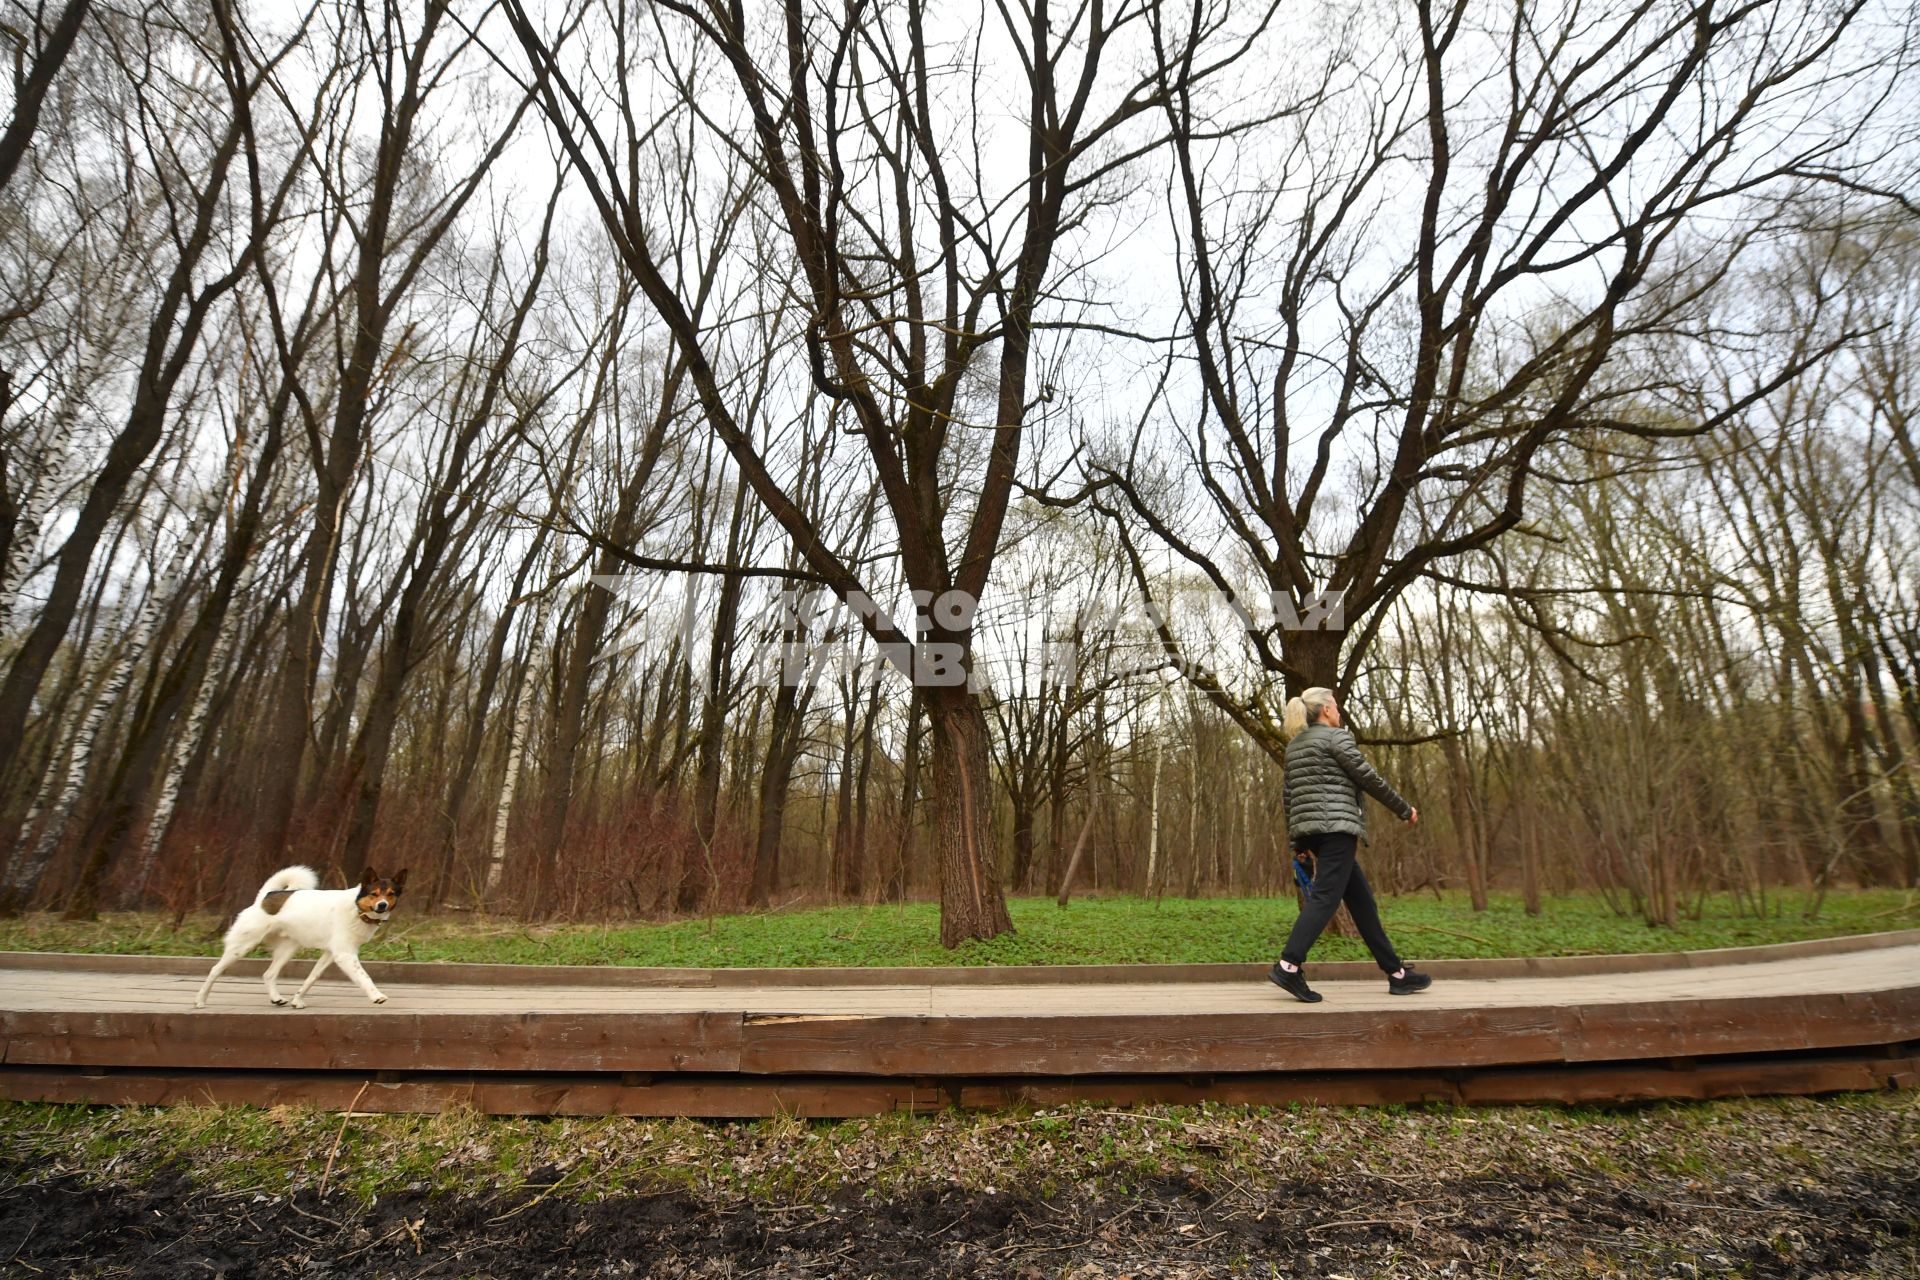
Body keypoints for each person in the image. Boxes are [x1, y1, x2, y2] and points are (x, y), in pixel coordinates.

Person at [1269, 686, 1432, 1003]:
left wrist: (1298, 841)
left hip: (1313, 832)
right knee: (1327, 897)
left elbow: (1289, 797)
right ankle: (1289, 965)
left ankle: (1396, 974)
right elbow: (1368, 777)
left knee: (1361, 902)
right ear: (1326, 710)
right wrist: (1403, 808)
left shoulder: (1295, 747)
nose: (1340, 711)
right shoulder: (1336, 738)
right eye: (1337, 706)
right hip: (1337, 829)